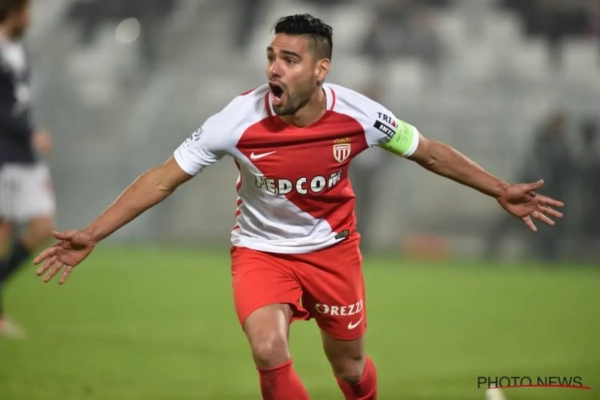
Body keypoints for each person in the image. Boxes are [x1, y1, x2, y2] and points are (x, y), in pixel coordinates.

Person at [33, 14, 564, 400]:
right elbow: (161, 179)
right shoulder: (236, 120)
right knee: (268, 348)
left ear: (320, 69)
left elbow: (428, 152)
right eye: (271, 56)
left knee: (350, 368)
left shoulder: (359, 114)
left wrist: (498, 188)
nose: (275, 68)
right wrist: (94, 232)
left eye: (290, 59)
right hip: (261, 252)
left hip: (333, 252)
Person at [0, 0, 55, 337]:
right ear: (13, 12)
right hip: (4, 154)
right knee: (3, 229)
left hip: (23, 154)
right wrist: (29, 132)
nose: (30, 19)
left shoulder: (16, 49)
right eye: (26, 12)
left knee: (43, 225)